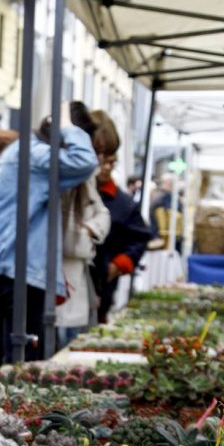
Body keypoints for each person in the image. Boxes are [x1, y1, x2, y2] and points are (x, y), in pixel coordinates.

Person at [0, 108, 98, 363]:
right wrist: (68, 126)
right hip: (14, 267)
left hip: (7, 264)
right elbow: (84, 162)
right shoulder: (36, 155)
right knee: (24, 360)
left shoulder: (25, 151)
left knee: (15, 353)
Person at [54, 103, 111, 345]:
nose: (99, 160)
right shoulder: (60, 175)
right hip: (60, 286)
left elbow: (104, 215)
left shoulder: (84, 179)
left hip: (79, 282)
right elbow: (67, 242)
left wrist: (88, 230)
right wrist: (87, 235)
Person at [91, 113, 152, 322]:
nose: (106, 168)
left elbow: (140, 238)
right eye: (103, 161)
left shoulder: (123, 202)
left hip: (103, 289)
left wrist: (117, 266)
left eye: (111, 162)